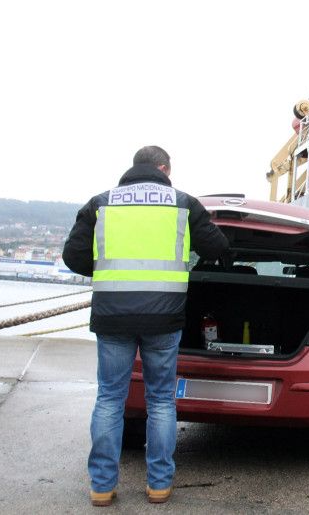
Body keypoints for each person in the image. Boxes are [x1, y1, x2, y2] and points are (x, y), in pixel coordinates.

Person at [63, 146, 228, 506]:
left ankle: (102, 487)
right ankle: (158, 486)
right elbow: (218, 247)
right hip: (163, 316)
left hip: (112, 315)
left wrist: (109, 274)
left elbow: (72, 256)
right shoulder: (183, 204)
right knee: (161, 401)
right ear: (164, 169)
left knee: (109, 398)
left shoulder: (100, 203)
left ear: (133, 168)